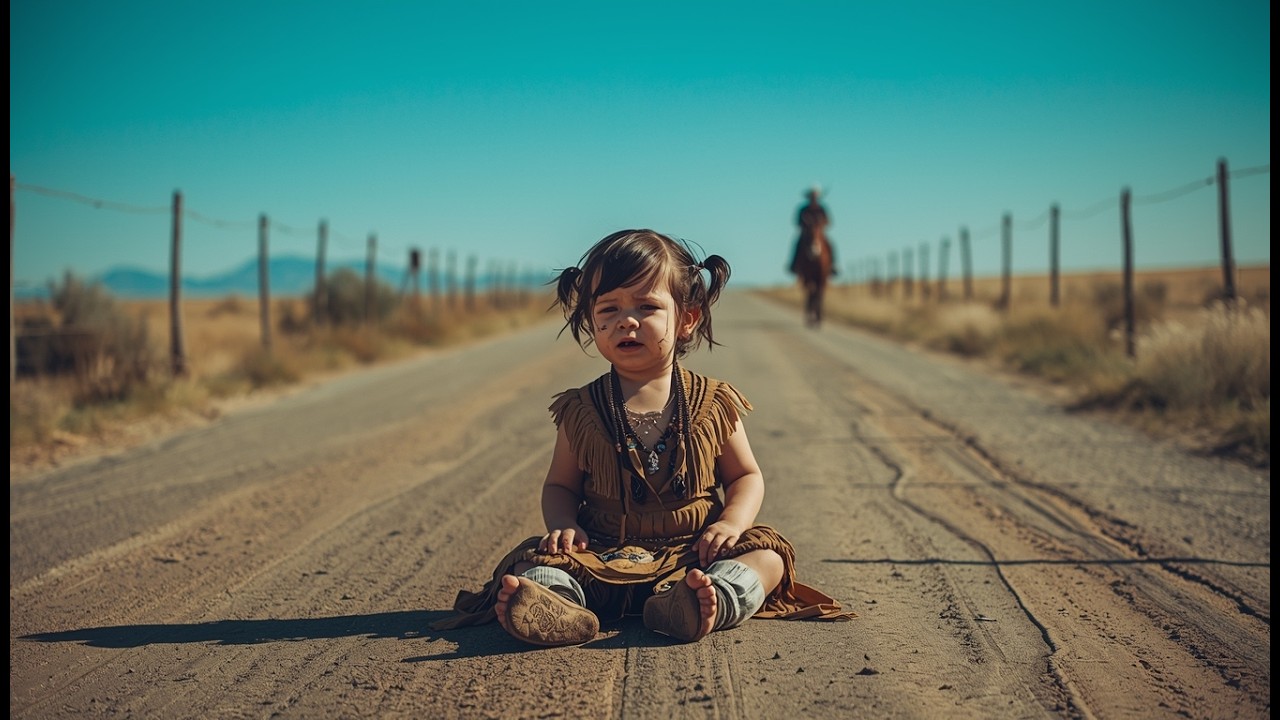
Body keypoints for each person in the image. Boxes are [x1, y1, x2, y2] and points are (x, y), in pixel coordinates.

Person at [431, 229, 855, 646]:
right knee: (532, 560)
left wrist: (731, 523)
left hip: (694, 557)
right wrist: (563, 527)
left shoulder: (713, 403)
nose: (626, 321)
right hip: (601, 557)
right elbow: (560, 486)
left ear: (687, 319)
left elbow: (746, 476)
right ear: (591, 321)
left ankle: (708, 601)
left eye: (647, 306)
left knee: (768, 554)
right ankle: (558, 602)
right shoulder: (582, 410)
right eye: (609, 308)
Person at [789, 186, 836, 277]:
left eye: (815, 196)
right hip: (806, 234)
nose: (814, 198)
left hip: (820, 234)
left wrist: (822, 226)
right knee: (797, 244)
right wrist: (805, 226)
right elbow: (797, 222)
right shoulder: (803, 209)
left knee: (830, 244)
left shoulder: (822, 208)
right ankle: (794, 265)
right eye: (812, 196)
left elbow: (828, 221)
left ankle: (833, 265)